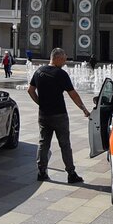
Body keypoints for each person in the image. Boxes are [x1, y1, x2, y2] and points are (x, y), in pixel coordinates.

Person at [27, 48, 91, 184]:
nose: (65, 61)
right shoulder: (61, 74)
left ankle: (41, 172)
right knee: (65, 145)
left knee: (43, 143)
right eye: (63, 59)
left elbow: (30, 90)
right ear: (56, 58)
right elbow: (72, 94)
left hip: (43, 115)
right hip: (59, 115)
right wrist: (84, 109)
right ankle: (71, 174)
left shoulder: (38, 72)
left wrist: (40, 103)